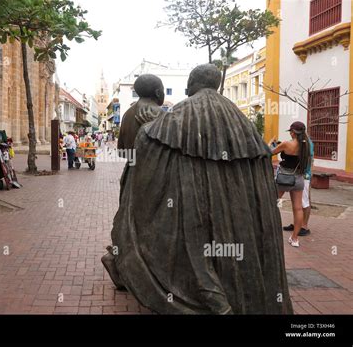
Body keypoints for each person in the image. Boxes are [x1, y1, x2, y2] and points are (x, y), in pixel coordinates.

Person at [105, 64, 292, 314]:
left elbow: (147, 147)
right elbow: (259, 161)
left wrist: (149, 129)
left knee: (195, 250)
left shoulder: (175, 116)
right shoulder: (241, 120)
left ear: (192, 83)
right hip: (234, 218)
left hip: (194, 204)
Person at [101, 74, 165, 290]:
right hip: (153, 177)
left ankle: (119, 262)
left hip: (131, 173)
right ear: (158, 92)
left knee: (129, 222)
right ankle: (138, 273)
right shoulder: (157, 114)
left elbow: (122, 150)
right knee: (150, 227)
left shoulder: (128, 113)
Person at [270, 121, 312, 248]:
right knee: (298, 209)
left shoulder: (286, 144)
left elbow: (269, 152)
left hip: (283, 178)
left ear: (293, 132)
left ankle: (269, 233)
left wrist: (271, 142)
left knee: (273, 203)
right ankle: (294, 239)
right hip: (298, 179)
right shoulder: (306, 145)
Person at [117, 74, 165, 153]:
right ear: (158, 93)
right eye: (163, 90)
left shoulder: (126, 114)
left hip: (132, 164)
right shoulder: (161, 114)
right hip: (154, 164)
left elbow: (121, 151)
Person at [282, 133, 314, 236]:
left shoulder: (306, 143)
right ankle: (297, 224)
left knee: (304, 202)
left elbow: (310, 159)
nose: (291, 134)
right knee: (297, 204)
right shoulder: (298, 142)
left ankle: (304, 226)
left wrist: (307, 173)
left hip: (304, 176)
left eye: (292, 132)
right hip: (297, 175)